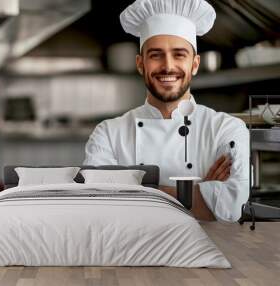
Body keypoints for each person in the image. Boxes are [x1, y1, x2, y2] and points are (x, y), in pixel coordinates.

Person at [83, 0, 249, 222]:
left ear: (195, 64)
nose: (168, 66)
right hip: (131, 254)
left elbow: (231, 208)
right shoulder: (108, 133)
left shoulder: (226, 129)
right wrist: (202, 195)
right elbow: (99, 204)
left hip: (207, 253)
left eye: (179, 54)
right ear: (141, 64)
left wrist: (134, 189)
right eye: (156, 55)